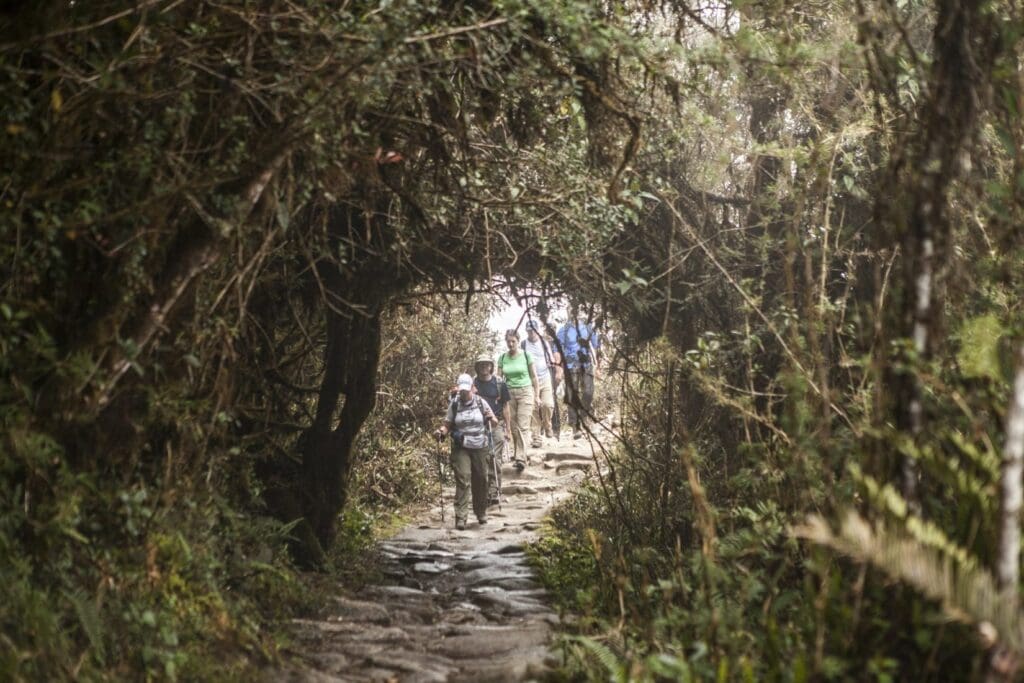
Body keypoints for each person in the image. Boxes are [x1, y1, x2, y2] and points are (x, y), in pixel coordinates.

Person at [435, 373, 497, 530]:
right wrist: (441, 432)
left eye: (466, 390)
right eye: (461, 390)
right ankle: (461, 517)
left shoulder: (481, 402)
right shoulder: (455, 404)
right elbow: (447, 424)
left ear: (472, 388)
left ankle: (481, 512)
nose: (463, 393)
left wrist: (490, 418)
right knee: (463, 478)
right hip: (461, 446)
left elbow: (494, 423)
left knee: (481, 479)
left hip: (480, 446)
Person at [497, 328, 539, 471]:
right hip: (509, 394)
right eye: (508, 341)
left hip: (525, 391)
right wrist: (498, 396)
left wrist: (537, 395)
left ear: (518, 341)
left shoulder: (526, 356)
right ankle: (518, 454)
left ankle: (521, 458)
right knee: (513, 426)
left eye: (513, 341)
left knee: (523, 425)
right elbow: (498, 379)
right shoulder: (502, 358)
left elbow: (534, 377)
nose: (511, 344)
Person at [473, 355, 511, 506]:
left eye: (487, 364)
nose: (484, 367)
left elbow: (506, 407)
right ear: (477, 367)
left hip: (497, 424)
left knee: (494, 456)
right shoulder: (473, 384)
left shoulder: (499, 383)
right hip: (478, 425)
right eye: (481, 364)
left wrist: (508, 429)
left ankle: (494, 491)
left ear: (491, 366)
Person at [557, 318, 601, 439]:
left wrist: (598, 367)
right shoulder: (564, 330)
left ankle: (584, 416)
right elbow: (557, 350)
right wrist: (559, 369)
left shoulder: (588, 328)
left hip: (586, 365)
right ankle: (575, 426)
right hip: (571, 366)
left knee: (589, 392)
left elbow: (596, 346)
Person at [523, 321, 556, 447]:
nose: (531, 333)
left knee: (547, 404)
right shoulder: (524, 344)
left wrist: (555, 371)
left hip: (545, 377)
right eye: (529, 331)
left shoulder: (544, 343)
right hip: (531, 380)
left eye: (533, 330)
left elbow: (551, 360)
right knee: (533, 407)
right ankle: (536, 437)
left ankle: (547, 425)